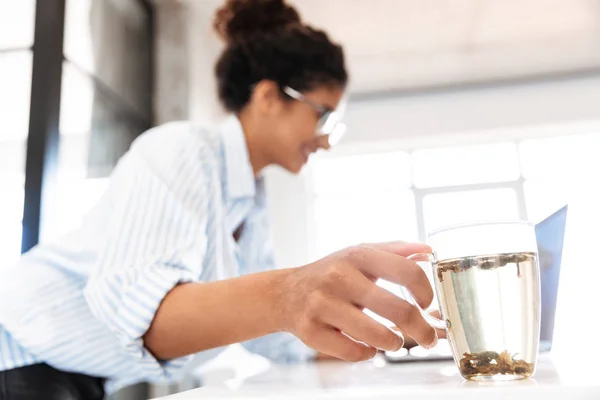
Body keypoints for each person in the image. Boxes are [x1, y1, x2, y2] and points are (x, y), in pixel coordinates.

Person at [0, 1, 440, 398]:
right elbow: (146, 317)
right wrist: (292, 292)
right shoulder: (180, 149)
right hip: (21, 355)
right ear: (268, 96)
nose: (325, 140)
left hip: (80, 372)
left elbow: (270, 335)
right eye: (323, 114)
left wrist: (381, 336)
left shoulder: (250, 200)